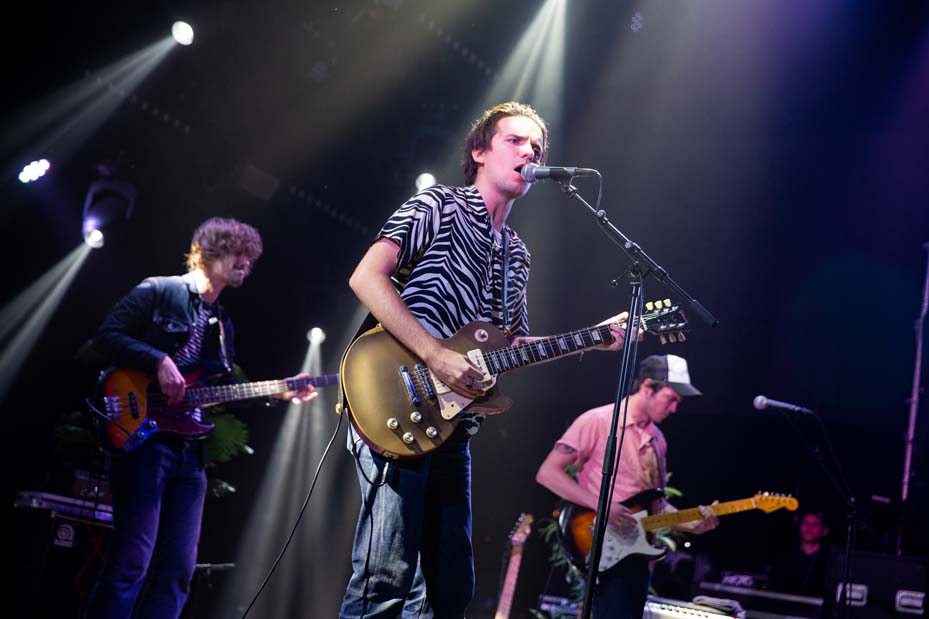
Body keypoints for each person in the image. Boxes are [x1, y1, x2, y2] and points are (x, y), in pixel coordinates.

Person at [340, 101, 627, 619]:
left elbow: (506, 346)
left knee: (451, 588)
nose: (531, 152)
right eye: (516, 141)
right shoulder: (436, 205)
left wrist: (593, 337)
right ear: (479, 151)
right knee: (385, 578)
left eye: (536, 146)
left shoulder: (517, 252)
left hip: (453, 425)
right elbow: (365, 277)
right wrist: (434, 355)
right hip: (394, 397)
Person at [85, 217, 315, 618]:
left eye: (251, 257)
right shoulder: (159, 290)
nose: (246, 262)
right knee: (130, 563)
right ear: (209, 253)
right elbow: (106, 337)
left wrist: (278, 391)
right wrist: (157, 360)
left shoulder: (221, 324)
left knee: (177, 570)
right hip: (141, 440)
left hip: (188, 454)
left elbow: (219, 392)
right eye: (238, 253)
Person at [535, 354, 720, 619]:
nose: (674, 409)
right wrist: (603, 505)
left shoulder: (658, 440)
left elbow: (655, 503)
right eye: (671, 398)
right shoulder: (599, 421)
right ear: (647, 387)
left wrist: (690, 522)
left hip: (639, 556)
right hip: (604, 549)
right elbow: (548, 473)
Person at [769, 511, 830, 596]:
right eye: (805, 523)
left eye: (815, 524)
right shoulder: (785, 556)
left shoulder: (831, 561)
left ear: (825, 531)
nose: (809, 528)